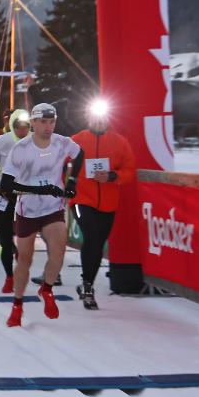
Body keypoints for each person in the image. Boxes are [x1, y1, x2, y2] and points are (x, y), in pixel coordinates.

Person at [1, 103, 84, 327]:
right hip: (27, 210)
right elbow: (7, 184)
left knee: (58, 252)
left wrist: (72, 180)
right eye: (43, 122)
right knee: (25, 260)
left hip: (52, 208)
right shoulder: (21, 149)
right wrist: (39, 190)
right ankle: (17, 305)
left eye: (52, 122)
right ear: (33, 123)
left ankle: (46, 289)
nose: (48, 127)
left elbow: (79, 153)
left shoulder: (61, 142)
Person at [70, 100, 136, 310]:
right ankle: (89, 288)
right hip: (81, 199)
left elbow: (130, 171)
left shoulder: (120, 142)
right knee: (91, 237)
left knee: (97, 244)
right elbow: (60, 164)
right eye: (94, 117)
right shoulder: (77, 140)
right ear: (88, 118)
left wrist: (112, 176)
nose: (98, 121)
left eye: (102, 117)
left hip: (108, 203)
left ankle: (85, 282)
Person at [0, 109, 30, 293]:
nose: (22, 130)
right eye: (18, 126)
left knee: (29, 237)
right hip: (4, 194)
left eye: (26, 126)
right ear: (12, 125)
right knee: (5, 236)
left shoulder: (36, 141)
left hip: (28, 195)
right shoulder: (2, 141)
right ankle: (9, 277)